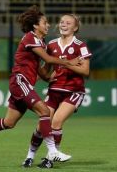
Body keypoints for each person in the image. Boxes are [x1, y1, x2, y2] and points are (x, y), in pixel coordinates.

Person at [0, 5, 80, 168]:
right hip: (20, 81)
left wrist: (49, 78)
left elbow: (39, 69)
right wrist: (69, 62)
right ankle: (52, 151)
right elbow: (49, 60)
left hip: (24, 84)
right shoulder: (30, 38)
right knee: (44, 111)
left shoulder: (41, 43)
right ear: (36, 25)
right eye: (45, 22)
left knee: (9, 122)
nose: (48, 25)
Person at [21, 14, 92, 168]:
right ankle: (29, 156)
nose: (63, 24)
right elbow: (46, 72)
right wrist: (36, 74)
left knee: (56, 121)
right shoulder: (51, 45)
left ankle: (50, 159)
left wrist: (65, 64)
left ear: (75, 28)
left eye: (68, 23)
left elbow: (85, 71)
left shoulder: (81, 45)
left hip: (74, 91)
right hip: (54, 91)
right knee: (41, 126)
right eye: (61, 22)